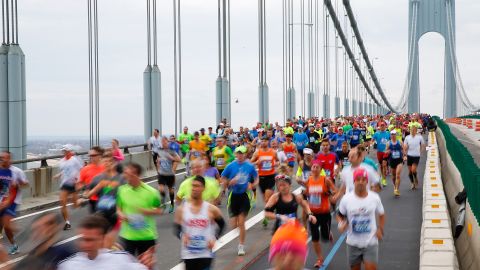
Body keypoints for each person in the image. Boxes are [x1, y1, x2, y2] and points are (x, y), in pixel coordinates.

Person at [57, 215, 151, 270]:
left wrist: (148, 266)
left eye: (91, 240)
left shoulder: (121, 259)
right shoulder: (67, 265)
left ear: (102, 239)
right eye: (83, 239)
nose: (86, 245)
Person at [337, 168, 385, 270]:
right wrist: (341, 224)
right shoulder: (346, 199)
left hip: (370, 241)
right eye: (358, 179)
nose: (361, 182)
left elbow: (381, 214)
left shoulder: (374, 197)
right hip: (352, 243)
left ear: (367, 182)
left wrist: (380, 229)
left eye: (363, 180)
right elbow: (340, 214)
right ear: (354, 181)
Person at [174, 176, 226, 270]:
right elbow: (176, 228)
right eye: (193, 186)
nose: (194, 189)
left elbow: (222, 224)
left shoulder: (211, 209)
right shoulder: (182, 209)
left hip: (205, 254)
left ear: (203, 188)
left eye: (197, 186)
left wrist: (214, 238)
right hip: (188, 254)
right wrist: (183, 236)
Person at [117, 163, 162, 257]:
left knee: (145, 266)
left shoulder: (151, 192)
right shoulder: (121, 190)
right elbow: (118, 208)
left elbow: (159, 210)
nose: (124, 176)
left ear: (136, 175)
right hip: (127, 236)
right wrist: (121, 214)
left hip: (146, 237)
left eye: (127, 173)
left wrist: (148, 211)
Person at [82, 151, 126, 248]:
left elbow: (128, 195)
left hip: (115, 214)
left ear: (114, 163)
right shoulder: (97, 178)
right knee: (103, 243)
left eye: (109, 162)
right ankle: (121, 252)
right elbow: (87, 194)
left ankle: (120, 254)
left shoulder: (121, 178)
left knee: (107, 242)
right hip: (101, 213)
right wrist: (87, 194)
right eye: (104, 162)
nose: (107, 164)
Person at [221, 146, 258, 256]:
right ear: (235, 154)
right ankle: (240, 235)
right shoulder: (230, 166)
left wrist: (252, 185)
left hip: (245, 196)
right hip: (233, 195)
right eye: (238, 153)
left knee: (241, 222)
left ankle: (241, 246)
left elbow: (256, 178)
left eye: (242, 153)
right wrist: (228, 183)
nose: (240, 155)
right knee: (234, 225)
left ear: (245, 154)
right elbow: (222, 179)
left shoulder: (249, 166)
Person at [305, 160, 337, 268]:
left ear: (320, 169)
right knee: (315, 237)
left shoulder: (325, 180)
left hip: (324, 213)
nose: (314, 169)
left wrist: (329, 194)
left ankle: (328, 233)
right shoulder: (308, 180)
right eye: (313, 167)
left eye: (317, 167)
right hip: (313, 214)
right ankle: (320, 259)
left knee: (325, 237)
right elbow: (306, 193)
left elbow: (334, 191)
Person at [251, 136, 278, 227]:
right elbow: (250, 163)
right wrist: (256, 162)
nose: (263, 142)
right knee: (265, 200)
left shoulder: (273, 152)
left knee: (267, 198)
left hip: (271, 176)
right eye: (262, 140)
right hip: (261, 177)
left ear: (268, 142)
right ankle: (271, 208)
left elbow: (278, 162)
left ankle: (266, 217)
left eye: (265, 140)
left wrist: (274, 164)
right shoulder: (257, 152)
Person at [54, 145, 83, 231]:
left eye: (67, 151)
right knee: (62, 202)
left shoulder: (74, 160)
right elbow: (63, 170)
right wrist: (58, 175)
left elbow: (82, 170)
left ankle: (81, 201)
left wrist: (79, 180)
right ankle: (67, 222)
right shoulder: (62, 161)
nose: (65, 153)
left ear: (70, 151)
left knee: (75, 205)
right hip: (65, 184)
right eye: (64, 151)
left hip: (74, 184)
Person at [157, 136, 181, 213]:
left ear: (167, 142)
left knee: (171, 190)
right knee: (160, 189)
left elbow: (179, 159)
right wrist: (158, 169)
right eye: (162, 142)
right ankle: (163, 201)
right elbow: (158, 160)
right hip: (162, 173)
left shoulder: (171, 151)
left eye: (165, 142)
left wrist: (171, 158)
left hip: (170, 174)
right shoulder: (160, 151)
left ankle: (171, 203)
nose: (163, 143)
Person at [78, 146, 105, 213]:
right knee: (95, 222)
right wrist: (81, 196)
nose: (91, 157)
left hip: (107, 199)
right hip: (93, 200)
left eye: (94, 155)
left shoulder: (108, 167)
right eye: (90, 155)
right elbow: (80, 184)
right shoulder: (85, 169)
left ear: (100, 155)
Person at [404, 125, 425, 190]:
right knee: (410, 172)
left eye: (414, 130)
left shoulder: (419, 137)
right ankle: (413, 183)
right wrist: (405, 153)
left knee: (413, 169)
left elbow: (423, 145)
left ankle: (415, 177)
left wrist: (421, 151)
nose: (412, 131)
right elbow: (405, 146)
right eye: (411, 130)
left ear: (416, 131)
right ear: (410, 130)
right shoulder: (407, 137)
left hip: (416, 156)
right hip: (409, 155)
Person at [385, 130, 405, 197]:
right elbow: (386, 151)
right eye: (392, 134)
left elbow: (403, 149)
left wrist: (405, 156)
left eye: (394, 134)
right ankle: (395, 186)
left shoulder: (400, 142)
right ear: (390, 135)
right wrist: (388, 151)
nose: (393, 135)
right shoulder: (388, 143)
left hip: (399, 160)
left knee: (398, 175)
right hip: (392, 160)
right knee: (393, 176)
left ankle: (396, 189)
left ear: (396, 135)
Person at [372, 122, 390, 187]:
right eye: (381, 126)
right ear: (379, 126)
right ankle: (382, 177)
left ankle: (384, 180)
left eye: (383, 125)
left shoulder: (388, 133)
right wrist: (373, 143)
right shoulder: (376, 133)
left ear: (385, 126)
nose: (382, 127)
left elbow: (391, 141)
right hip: (379, 152)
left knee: (384, 165)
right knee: (381, 166)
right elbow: (372, 140)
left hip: (385, 152)